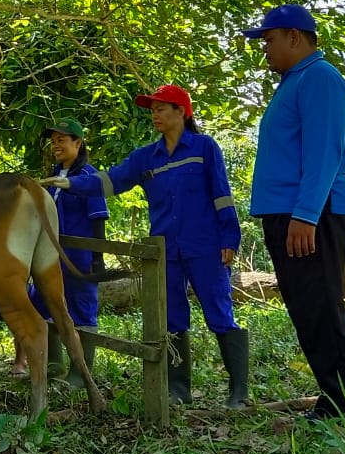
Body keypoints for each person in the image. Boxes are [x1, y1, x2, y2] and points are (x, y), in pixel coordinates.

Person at [42, 85, 248, 408]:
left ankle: (239, 392)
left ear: (181, 112)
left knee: (219, 313)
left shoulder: (204, 148)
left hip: (206, 246)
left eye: (161, 108)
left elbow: (222, 194)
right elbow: (108, 181)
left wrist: (230, 238)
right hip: (165, 249)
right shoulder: (144, 158)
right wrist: (68, 183)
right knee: (172, 318)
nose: (154, 114)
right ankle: (178, 389)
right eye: (152, 109)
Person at [242, 4, 345, 421]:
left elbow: (324, 152)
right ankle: (333, 399)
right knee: (306, 308)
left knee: (321, 306)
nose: (265, 49)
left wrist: (306, 214)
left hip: (314, 213)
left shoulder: (320, 78)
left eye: (269, 39)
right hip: (290, 212)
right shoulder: (294, 82)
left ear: (294, 37)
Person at [14, 116, 108, 387]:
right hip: (50, 257)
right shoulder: (56, 175)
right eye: (54, 141)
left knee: (82, 309)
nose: (57, 145)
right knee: (39, 302)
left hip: (79, 255)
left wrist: (97, 257)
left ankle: (81, 374)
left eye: (62, 140)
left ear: (78, 143)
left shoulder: (89, 177)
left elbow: (98, 216)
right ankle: (53, 365)